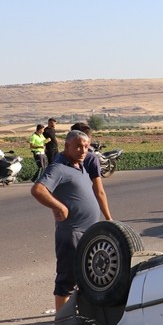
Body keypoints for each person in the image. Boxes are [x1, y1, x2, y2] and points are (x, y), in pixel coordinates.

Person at [32, 130, 104, 311]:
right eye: (78, 146)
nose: (83, 150)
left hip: (87, 233)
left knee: (87, 277)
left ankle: (79, 317)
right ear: (67, 146)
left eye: (86, 146)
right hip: (71, 233)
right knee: (67, 279)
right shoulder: (58, 169)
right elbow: (38, 190)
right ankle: (62, 323)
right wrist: (59, 207)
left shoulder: (81, 168)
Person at [65, 121, 113, 221]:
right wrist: (109, 218)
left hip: (67, 211)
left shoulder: (60, 157)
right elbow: (99, 192)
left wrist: (58, 207)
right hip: (86, 210)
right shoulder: (91, 158)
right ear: (88, 138)